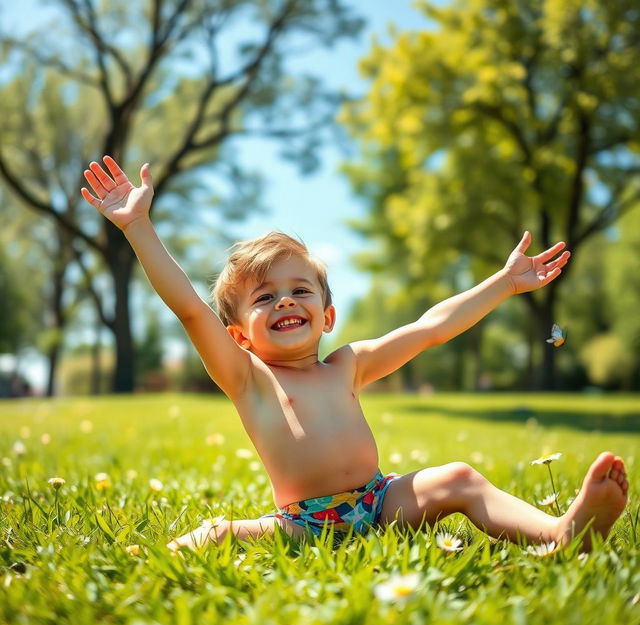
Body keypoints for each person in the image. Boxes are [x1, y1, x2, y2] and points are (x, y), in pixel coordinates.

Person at [81, 156, 629, 553]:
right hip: (305, 523)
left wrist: (502, 285)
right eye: (264, 298)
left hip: (381, 501)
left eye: (300, 290)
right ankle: (144, 556)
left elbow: (430, 327)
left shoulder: (347, 364)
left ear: (327, 316)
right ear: (239, 336)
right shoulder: (246, 378)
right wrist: (138, 228)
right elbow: (191, 311)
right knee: (218, 533)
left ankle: (561, 531)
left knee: (459, 477)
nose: (285, 301)